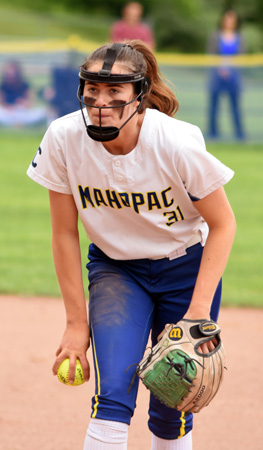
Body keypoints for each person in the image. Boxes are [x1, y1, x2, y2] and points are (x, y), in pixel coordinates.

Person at [27, 40, 236, 450]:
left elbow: (223, 224)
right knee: (113, 397)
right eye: (92, 93)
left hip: (185, 270)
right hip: (116, 269)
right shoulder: (64, 137)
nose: (100, 103)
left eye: (114, 94)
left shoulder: (175, 142)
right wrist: (75, 325)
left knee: (171, 406)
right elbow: (65, 232)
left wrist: (196, 314)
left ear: (139, 99)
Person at [207, 9, 247, 140]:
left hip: (233, 77)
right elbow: (211, 54)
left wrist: (229, 69)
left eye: (232, 20)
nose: (229, 22)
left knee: (235, 107)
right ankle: (213, 134)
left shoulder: (240, 37)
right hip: (216, 76)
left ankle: (239, 135)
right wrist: (220, 68)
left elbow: (242, 56)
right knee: (214, 107)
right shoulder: (215, 36)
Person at [0, 61, 47, 127]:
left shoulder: (24, 85)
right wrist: (9, 107)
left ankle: (19, 124)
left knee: (43, 111)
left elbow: (31, 102)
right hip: (8, 114)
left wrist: (23, 104)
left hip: (22, 112)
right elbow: (1, 103)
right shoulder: (3, 86)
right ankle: (17, 124)